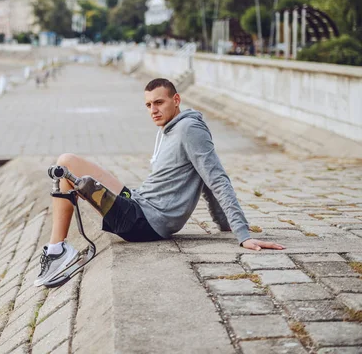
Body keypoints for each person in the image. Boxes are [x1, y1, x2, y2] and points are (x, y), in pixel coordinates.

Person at [34, 78, 285, 287]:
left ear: (176, 100)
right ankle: (58, 248)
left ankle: (57, 250)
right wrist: (223, 224)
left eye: (158, 102)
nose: (153, 110)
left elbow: (216, 178)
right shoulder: (169, 130)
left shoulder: (189, 130)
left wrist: (242, 233)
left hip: (144, 222)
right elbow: (204, 181)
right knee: (67, 168)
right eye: (148, 105)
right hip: (138, 204)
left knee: (66, 163)